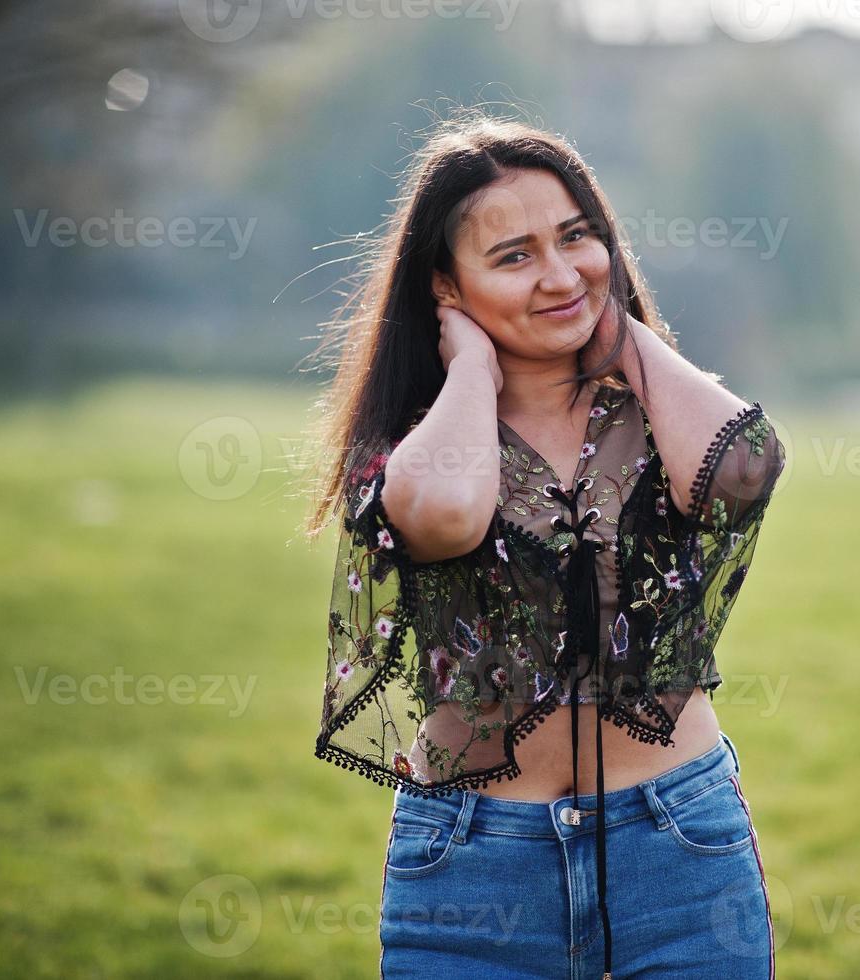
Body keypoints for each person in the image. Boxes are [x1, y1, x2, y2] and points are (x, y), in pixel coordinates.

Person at [302, 110, 787, 979]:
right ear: (445, 287)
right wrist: (473, 369)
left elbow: (740, 472)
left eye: (576, 238)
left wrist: (617, 327)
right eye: (514, 256)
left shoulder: (657, 408)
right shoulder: (416, 435)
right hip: (472, 866)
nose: (559, 273)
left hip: (675, 846)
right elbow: (447, 514)